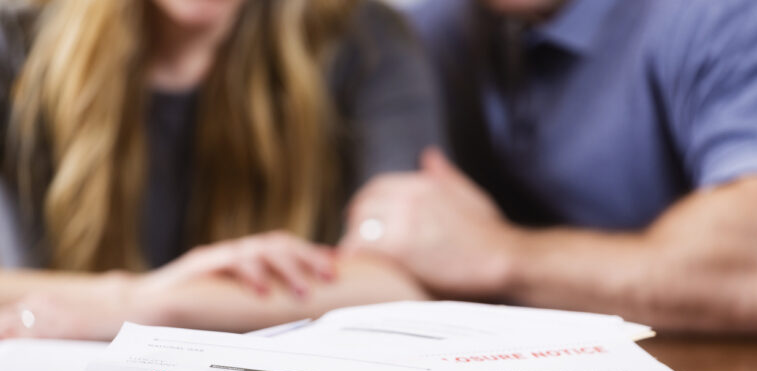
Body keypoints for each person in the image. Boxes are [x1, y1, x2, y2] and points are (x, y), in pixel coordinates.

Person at [0, 0, 443, 340]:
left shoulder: (361, 39)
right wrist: (132, 295)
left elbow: (402, 281)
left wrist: (153, 305)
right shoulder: (20, 44)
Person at [341, 0, 757, 333]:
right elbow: (403, 253)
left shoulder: (720, 15)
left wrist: (504, 254)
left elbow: (756, 262)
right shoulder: (434, 31)